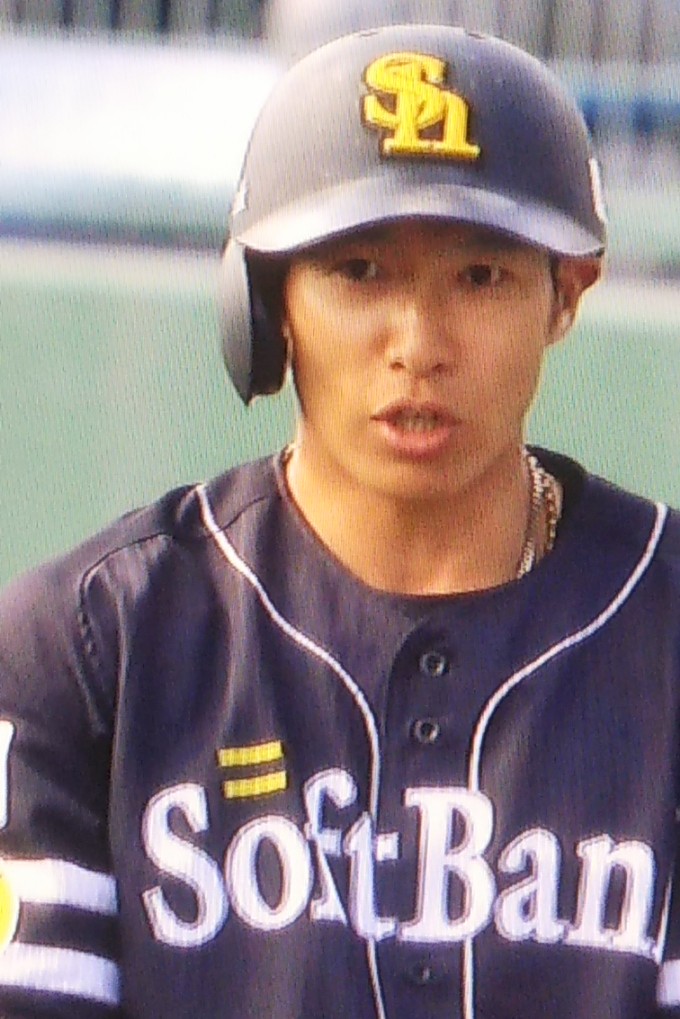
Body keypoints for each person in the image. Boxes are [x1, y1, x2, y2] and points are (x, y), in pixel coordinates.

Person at [0, 22, 678, 1019]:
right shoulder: (94, 644)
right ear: (267, 300)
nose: (418, 342)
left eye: (480, 275)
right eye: (359, 271)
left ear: (564, 295)